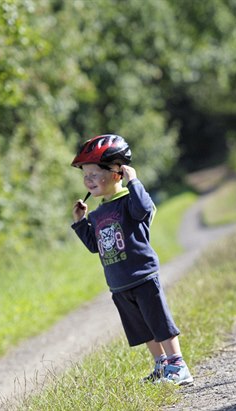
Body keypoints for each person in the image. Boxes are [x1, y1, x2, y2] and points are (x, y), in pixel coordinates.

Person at [70, 134, 193, 386]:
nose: (88, 179)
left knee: (158, 321)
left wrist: (134, 181)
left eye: (94, 173)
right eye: (85, 175)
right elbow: (96, 246)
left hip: (142, 275)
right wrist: (81, 222)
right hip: (119, 283)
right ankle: (161, 365)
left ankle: (178, 364)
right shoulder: (99, 211)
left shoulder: (130, 201)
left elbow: (145, 209)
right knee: (143, 327)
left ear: (116, 172)